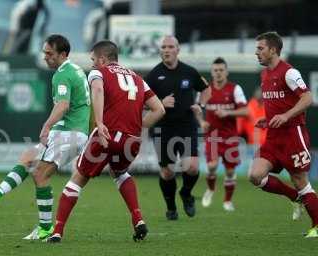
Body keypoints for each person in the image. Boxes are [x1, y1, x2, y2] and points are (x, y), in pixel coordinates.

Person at [0, 34, 90, 240]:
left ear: (62, 54)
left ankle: (45, 228)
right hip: (67, 131)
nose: (45, 57)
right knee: (27, 157)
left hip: (69, 133)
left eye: (49, 53)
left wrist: (46, 125)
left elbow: (63, 105)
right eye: (44, 52)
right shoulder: (75, 70)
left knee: (40, 174)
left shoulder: (63, 74)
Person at [46, 40, 165, 243]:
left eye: (93, 59)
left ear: (102, 59)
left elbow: (99, 90)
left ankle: (57, 231)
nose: (92, 63)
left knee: (79, 177)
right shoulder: (137, 78)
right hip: (132, 140)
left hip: (107, 135)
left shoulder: (98, 72)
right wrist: (138, 126)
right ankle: (138, 219)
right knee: (119, 172)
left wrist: (100, 124)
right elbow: (159, 109)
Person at [249, 31, 318, 238]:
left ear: (273, 49)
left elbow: (307, 98)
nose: (256, 53)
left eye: (260, 48)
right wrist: (268, 120)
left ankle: (317, 224)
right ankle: (294, 197)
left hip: (293, 135)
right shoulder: (264, 75)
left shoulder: (289, 72)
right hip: (273, 135)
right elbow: (277, 104)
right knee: (255, 175)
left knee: (300, 179)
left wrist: (286, 116)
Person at [145, 35, 210, 220]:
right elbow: (140, 102)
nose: (166, 50)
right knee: (167, 172)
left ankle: (186, 194)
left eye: (170, 46)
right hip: (163, 128)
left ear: (178, 50)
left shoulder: (189, 72)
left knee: (192, 168)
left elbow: (206, 89)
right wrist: (159, 103)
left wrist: (201, 105)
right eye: (163, 47)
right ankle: (171, 207)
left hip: (186, 126)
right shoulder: (154, 75)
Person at [195, 57, 248, 211]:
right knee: (212, 166)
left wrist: (227, 112)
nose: (218, 73)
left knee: (230, 171)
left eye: (221, 70)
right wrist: (201, 122)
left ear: (226, 72)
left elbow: (246, 111)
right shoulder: (206, 90)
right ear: (212, 72)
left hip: (230, 137)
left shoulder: (235, 89)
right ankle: (211, 190)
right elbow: (197, 109)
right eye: (215, 70)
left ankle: (227, 201)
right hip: (212, 136)